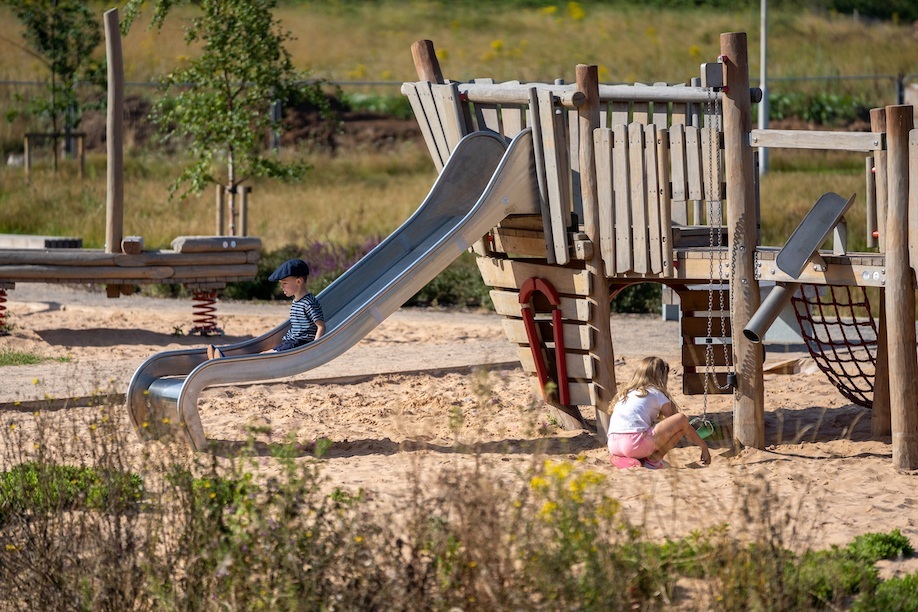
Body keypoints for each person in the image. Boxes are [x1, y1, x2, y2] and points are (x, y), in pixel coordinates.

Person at [208, 258, 325, 359]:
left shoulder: (309, 303)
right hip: (290, 341)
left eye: (284, 283)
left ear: (298, 281)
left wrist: (314, 348)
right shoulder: (296, 301)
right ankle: (225, 359)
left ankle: (225, 360)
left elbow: (320, 326)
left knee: (267, 355)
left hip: (300, 344)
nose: (282, 287)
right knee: (266, 353)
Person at [607, 356, 711, 469]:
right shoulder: (656, 393)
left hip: (613, 443)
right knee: (681, 421)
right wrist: (702, 445)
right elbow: (679, 422)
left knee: (646, 430)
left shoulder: (626, 394)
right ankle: (653, 460)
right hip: (634, 444)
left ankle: (621, 458)